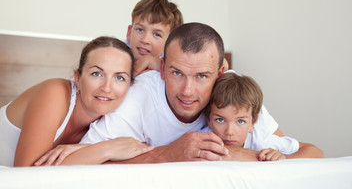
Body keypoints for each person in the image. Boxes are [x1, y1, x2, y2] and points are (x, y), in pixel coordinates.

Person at [36, 23, 323, 165]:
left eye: (201, 76)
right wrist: (166, 153)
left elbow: (296, 155)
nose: (187, 91)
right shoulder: (139, 95)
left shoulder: (234, 96)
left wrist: (236, 155)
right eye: (176, 73)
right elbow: (84, 163)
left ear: (220, 74)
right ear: (161, 68)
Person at [0, 36, 153, 167]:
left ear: (129, 86)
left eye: (119, 78)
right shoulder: (55, 94)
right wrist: (106, 150)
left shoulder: (106, 126)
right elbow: (25, 177)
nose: (107, 88)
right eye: (97, 74)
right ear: (78, 78)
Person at [205, 71, 318, 161]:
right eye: (220, 120)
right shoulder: (201, 139)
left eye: (240, 121)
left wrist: (284, 159)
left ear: (252, 123)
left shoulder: (261, 141)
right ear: (208, 120)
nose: (229, 132)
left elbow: (315, 152)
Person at [125, 0, 184, 76]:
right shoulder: (115, 51)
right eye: (140, 29)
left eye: (157, 34)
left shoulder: (172, 67)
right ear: (129, 32)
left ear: (170, 44)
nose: (145, 40)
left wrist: (159, 65)